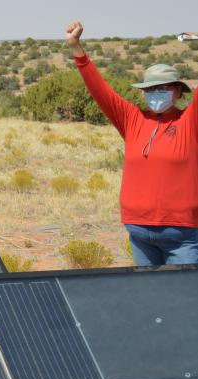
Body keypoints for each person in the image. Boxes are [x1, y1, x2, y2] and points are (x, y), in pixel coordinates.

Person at [67, 21, 198, 266]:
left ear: (179, 92)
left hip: (182, 234)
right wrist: (76, 47)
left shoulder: (189, 122)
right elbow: (100, 90)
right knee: (148, 299)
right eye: (150, 88)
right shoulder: (131, 119)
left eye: (164, 88)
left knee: (183, 301)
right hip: (138, 231)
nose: (156, 93)